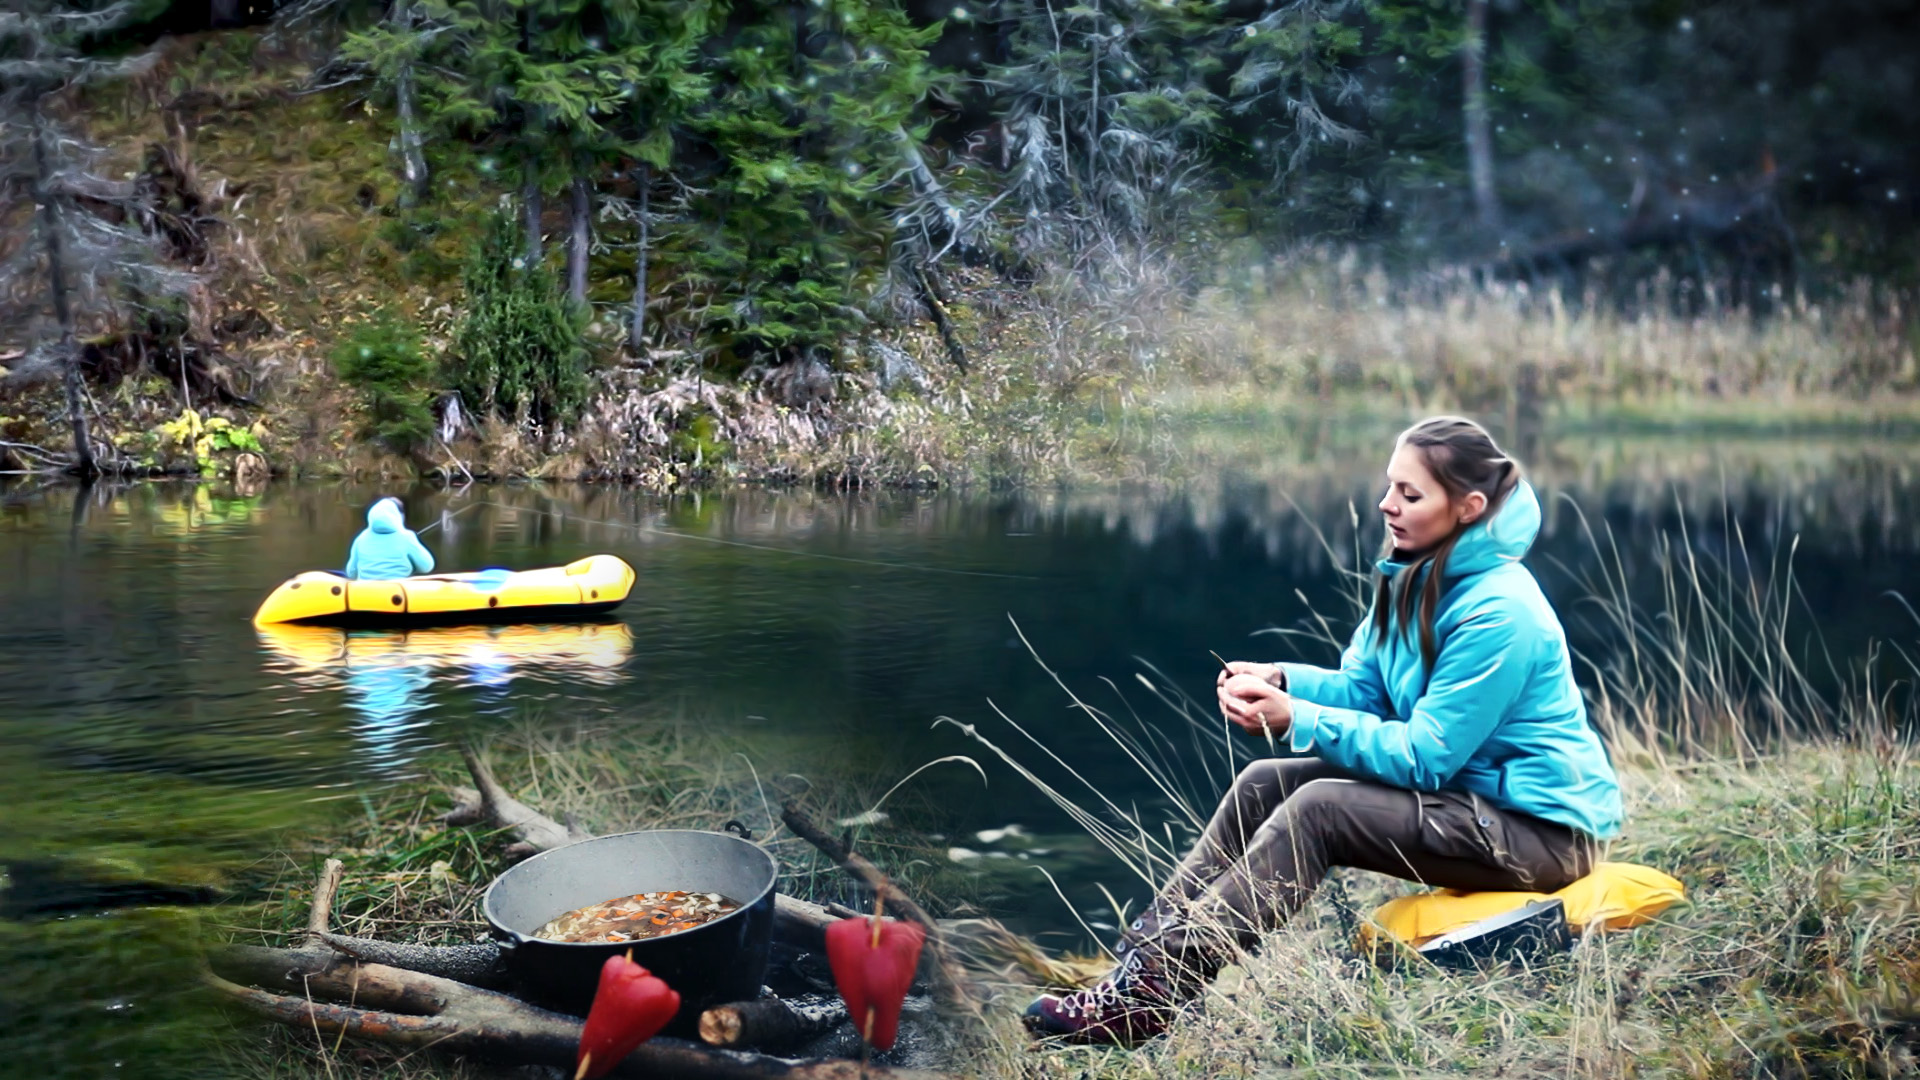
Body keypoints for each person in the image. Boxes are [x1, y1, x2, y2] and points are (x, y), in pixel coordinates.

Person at [1024, 415, 1624, 1046]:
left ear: (1469, 507)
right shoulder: (1413, 571)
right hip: (1473, 805)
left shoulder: (1500, 612)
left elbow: (1425, 758)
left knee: (1320, 810)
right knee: (1264, 782)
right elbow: (1365, 692)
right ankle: (1134, 971)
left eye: (1410, 495)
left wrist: (1300, 721)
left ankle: (1154, 991)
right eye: (1390, 486)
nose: (1387, 505)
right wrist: (1286, 683)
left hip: (1543, 834)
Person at [344, 497, 435, 581]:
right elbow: (427, 567)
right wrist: (413, 565)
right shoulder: (407, 537)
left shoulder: (361, 538)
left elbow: (351, 573)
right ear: (397, 516)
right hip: (398, 592)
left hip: (365, 592)